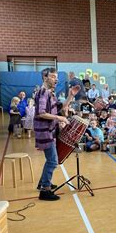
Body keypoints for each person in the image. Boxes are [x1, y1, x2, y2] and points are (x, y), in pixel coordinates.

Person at [34, 67, 79, 201]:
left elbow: (61, 107)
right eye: (53, 76)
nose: (56, 79)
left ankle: (43, 182)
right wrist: (59, 118)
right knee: (53, 161)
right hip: (45, 132)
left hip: (50, 131)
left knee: (50, 160)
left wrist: (71, 95)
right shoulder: (43, 93)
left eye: (56, 76)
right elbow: (41, 113)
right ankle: (45, 191)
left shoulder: (50, 93)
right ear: (45, 77)